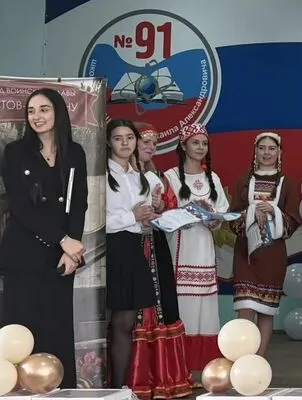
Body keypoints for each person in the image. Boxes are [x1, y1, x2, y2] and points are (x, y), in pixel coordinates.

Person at [0, 88, 88, 388]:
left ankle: (61, 389)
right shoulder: (16, 152)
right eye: (31, 111)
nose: (36, 116)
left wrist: (72, 249)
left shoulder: (75, 152)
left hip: (60, 261)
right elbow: (20, 208)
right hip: (23, 256)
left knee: (57, 330)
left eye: (44, 109)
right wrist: (63, 239)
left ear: (58, 112)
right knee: (21, 331)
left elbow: (79, 204)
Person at [127, 123, 194, 400]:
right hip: (133, 244)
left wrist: (161, 208)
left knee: (163, 304)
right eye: (145, 141)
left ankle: (166, 375)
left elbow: (170, 206)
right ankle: (138, 377)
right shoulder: (124, 175)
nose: (150, 147)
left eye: (154, 143)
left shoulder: (157, 176)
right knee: (137, 307)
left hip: (156, 243)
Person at [162, 124, 229, 371]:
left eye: (204, 143)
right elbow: (164, 214)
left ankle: (206, 367)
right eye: (195, 143)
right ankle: (179, 369)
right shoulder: (170, 176)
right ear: (183, 145)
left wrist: (212, 216)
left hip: (204, 249)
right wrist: (190, 212)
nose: (200, 148)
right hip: (181, 249)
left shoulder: (213, 178)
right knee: (183, 307)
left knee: (206, 309)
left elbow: (221, 213)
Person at [229, 132, 301, 358]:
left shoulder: (287, 184)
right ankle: (242, 358)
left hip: (272, 254)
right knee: (245, 308)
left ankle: (257, 360)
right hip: (246, 253)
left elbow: (294, 219)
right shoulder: (243, 181)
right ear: (255, 152)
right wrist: (251, 212)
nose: (266, 153)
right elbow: (232, 217)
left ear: (279, 152)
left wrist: (274, 211)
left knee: (266, 310)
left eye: (271, 148)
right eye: (262, 148)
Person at [105, 119, 164, 388]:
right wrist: (133, 216)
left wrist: (151, 215)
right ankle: (95, 382)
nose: (125, 143)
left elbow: (141, 223)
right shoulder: (102, 174)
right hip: (108, 250)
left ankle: (118, 387)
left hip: (132, 248)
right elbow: (97, 221)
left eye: (130, 137)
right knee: (104, 320)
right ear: (109, 142)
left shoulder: (140, 177)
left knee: (126, 322)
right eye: (118, 138)